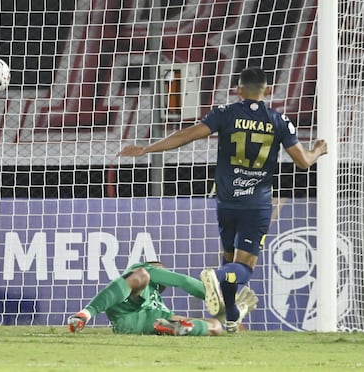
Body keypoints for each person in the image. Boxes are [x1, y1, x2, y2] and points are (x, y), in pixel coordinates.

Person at [119, 67, 328, 332]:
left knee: (230, 260)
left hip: (227, 202)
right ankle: (215, 277)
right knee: (242, 268)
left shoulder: (225, 113)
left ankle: (229, 316)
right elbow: (302, 162)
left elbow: (187, 135)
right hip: (257, 204)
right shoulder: (278, 120)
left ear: (239, 89)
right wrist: (318, 150)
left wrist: (147, 148)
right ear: (266, 91)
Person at [67, 261, 258, 336]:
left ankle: (183, 328)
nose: (165, 273)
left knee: (216, 326)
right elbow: (183, 281)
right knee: (141, 276)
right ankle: (86, 313)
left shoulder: (157, 298)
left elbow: (219, 320)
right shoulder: (145, 270)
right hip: (128, 308)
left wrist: (234, 311)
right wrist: (215, 294)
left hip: (144, 322)